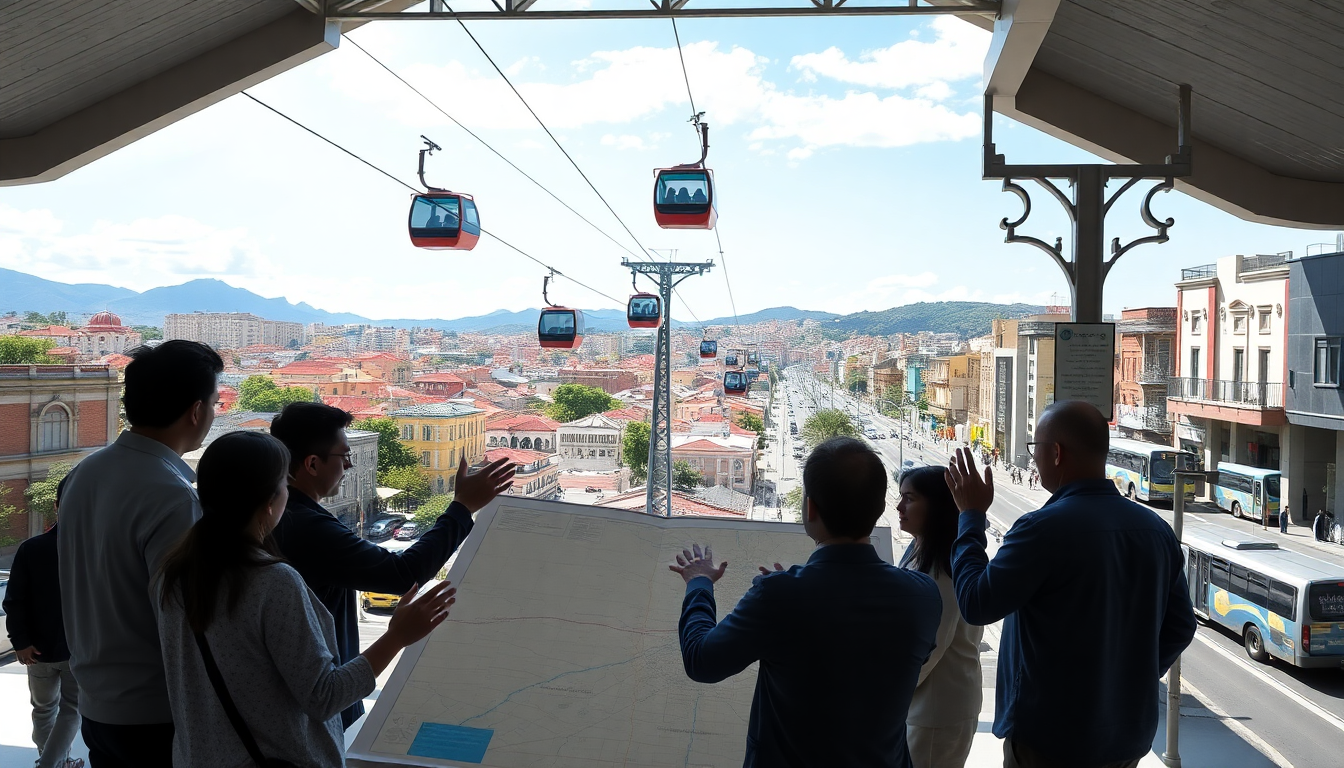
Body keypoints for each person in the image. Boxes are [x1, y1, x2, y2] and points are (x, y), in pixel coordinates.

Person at [156, 431, 456, 767]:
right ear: (270, 500)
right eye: (285, 483)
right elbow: (324, 697)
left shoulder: (175, 571)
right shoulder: (272, 582)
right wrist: (397, 636)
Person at [946, 401, 1196, 768]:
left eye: (1036, 449)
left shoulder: (1040, 529)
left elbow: (975, 602)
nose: (1033, 459)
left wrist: (970, 517)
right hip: (1125, 739)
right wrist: (1125, 677)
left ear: (1056, 453)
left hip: (1048, 740)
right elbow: (1181, 625)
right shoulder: (1157, 531)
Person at [671, 437, 942, 767]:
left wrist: (700, 583)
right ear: (879, 508)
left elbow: (702, 661)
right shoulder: (924, 596)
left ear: (810, 508)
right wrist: (791, 595)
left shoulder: (778, 597)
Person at [269, 402, 515, 729]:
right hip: (314, 717)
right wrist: (462, 507)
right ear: (312, 464)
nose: (350, 465)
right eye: (344, 457)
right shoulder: (307, 527)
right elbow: (403, 573)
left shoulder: (284, 519)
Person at [59, 340, 223, 767]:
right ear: (196, 410)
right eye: (214, 402)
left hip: (96, 703)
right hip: (154, 713)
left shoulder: (85, 473)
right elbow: (185, 618)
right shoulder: (172, 496)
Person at [896, 467, 983, 768]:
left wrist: (884, 693)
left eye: (909, 498)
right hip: (930, 707)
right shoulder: (923, 549)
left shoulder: (943, 570)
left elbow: (928, 650)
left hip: (936, 713)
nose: (899, 507)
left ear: (936, 506)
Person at [5, 475, 83, 768]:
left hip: (36, 651)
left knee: (43, 709)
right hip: (78, 650)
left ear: (56, 505)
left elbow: (14, 599)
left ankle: (51, 762)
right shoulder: (93, 549)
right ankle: (52, 764)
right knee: (71, 708)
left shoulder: (32, 548)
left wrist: (21, 642)